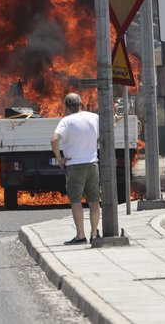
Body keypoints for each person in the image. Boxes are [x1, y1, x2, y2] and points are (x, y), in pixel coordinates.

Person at [50, 92, 100, 245]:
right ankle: (94, 234)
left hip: (74, 165)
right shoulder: (94, 117)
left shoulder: (66, 121)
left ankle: (80, 235)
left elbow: (54, 139)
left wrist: (59, 159)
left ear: (66, 106)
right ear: (81, 103)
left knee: (76, 201)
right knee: (94, 201)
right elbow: (100, 136)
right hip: (92, 164)